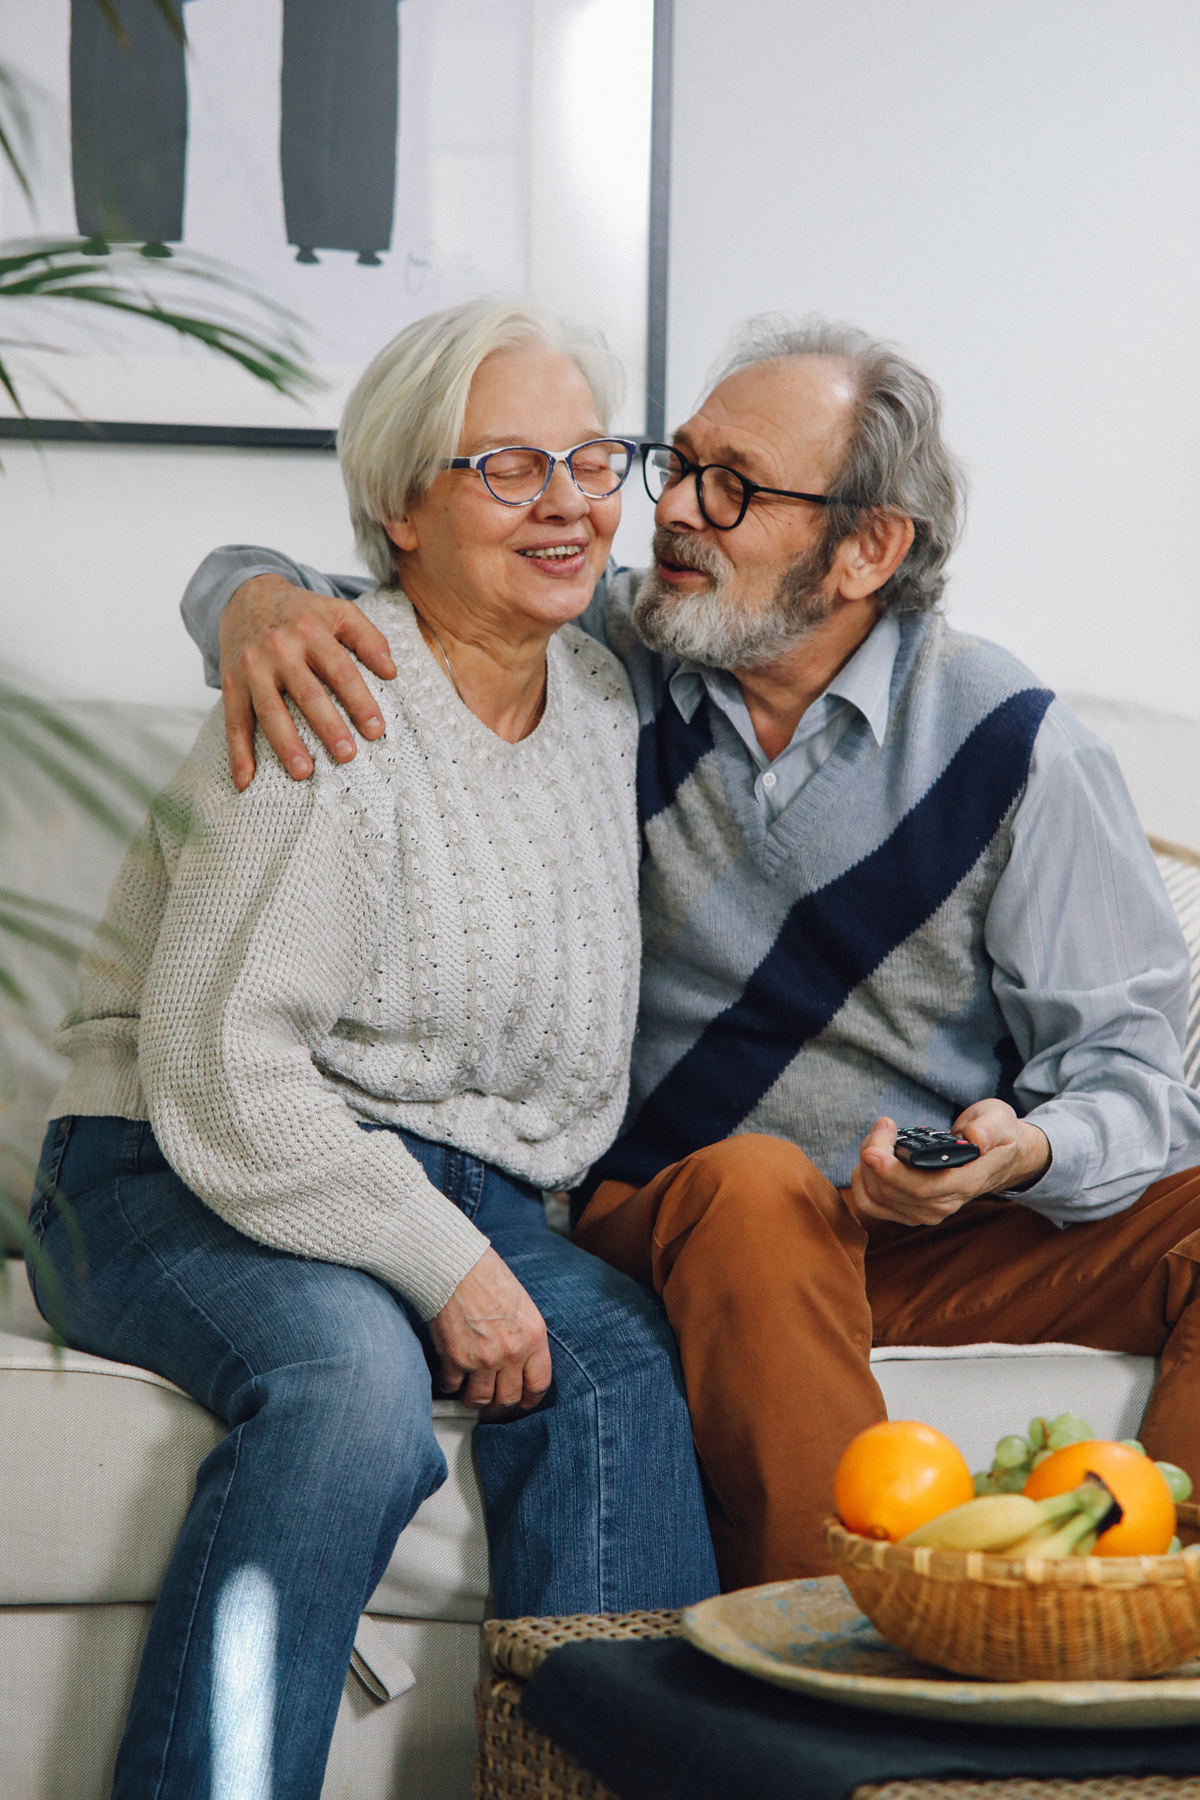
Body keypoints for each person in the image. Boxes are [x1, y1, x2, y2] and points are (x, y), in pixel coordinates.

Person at [180, 313, 1200, 1594]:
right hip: (677, 1220)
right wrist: (251, 601)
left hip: (937, 1230)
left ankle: (1153, 1627)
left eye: (737, 488)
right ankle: (832, 1666)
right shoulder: (606, 650)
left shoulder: (1020, 752)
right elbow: (362, 590)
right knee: (759, 1188)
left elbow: (1134, 1081)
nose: (671, 517)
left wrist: (1023, 1151)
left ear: (867, 549)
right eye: (680, 463)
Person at [27, 297, 718, 1800]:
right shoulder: (328, 694)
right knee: (350, 1388)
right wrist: (442, 1264)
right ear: (399, 511)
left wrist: (475, 1241)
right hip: (167, 1162)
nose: (569, 504)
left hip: (452, 1183)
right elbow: (223, 1072)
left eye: (593, 460)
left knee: (620, 1371)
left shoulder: (602, 691)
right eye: (508, 467)